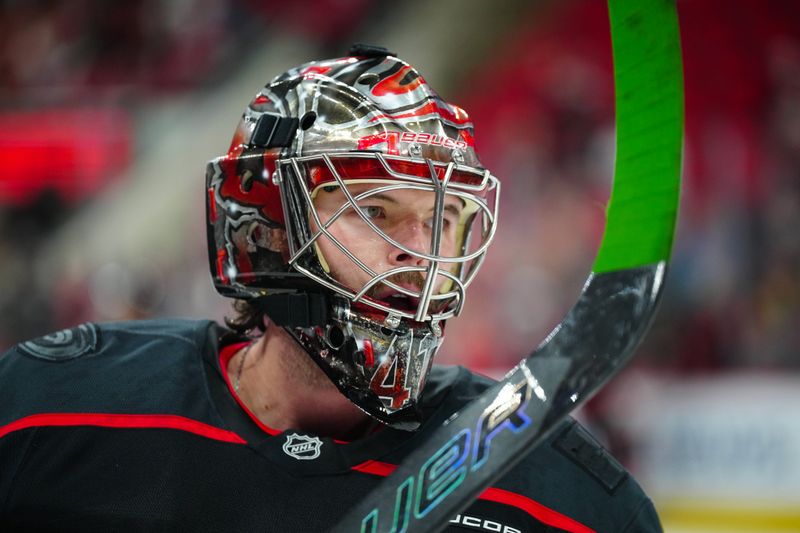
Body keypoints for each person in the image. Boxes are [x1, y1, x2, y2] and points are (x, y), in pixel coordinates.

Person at [0, 44, 662, 532]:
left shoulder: (570, 503)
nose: (421, 259)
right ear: (266, 228)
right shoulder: (41, 410)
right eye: (375, 212)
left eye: (444, 220)